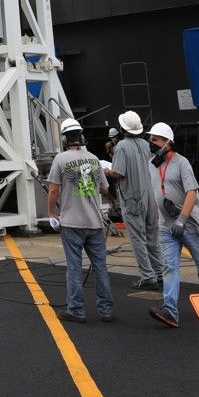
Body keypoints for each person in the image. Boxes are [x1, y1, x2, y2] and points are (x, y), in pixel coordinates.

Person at [148, 121, 199, 329]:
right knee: (169, 267)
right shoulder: (152, 164)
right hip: (166, 227)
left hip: (186, 224)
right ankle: (170, 310)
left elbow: (191, 192)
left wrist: (182, 219)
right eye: (151, 139)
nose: (151, 143)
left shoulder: (182, 163)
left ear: (168, 143)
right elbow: (156, 192)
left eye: (155, 140)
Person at [47, 117, 114, 323]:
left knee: (74, 267)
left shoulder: (60, 159)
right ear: (81, 136)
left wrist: (51, 213)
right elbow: (105, 188)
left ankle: (76, 310)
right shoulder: (94, 159)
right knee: (100, 267)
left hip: (72, 222)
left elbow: (54, 189)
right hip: (95, 222)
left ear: (65, 138)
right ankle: (106, 311)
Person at [104, 110, 163, 294]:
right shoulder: (146, 144)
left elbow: (119, 173)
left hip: (132, 197)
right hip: (150, 196)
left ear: (122, 128)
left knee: (138, 238)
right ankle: (159, 272)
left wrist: (106, 171)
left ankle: (148, 276)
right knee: (153, 235)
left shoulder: (121, 147)